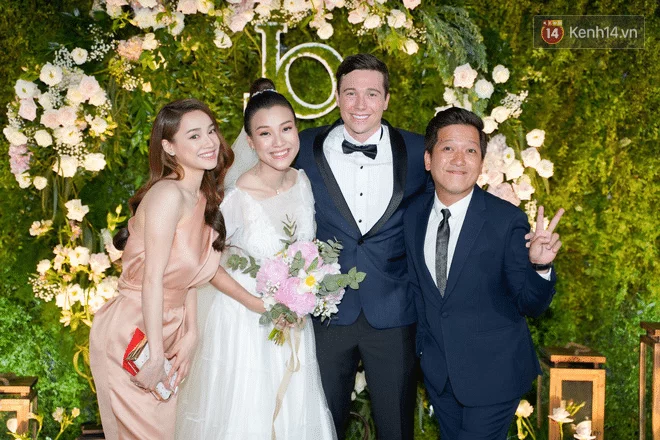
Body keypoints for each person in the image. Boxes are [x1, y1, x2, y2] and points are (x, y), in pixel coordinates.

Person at [89, 99, 264, 440]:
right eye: (194, 136)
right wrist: (156, 354)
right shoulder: (167, 195)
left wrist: (191, 333)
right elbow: (152, 279)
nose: (209, 142)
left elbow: (193, 275)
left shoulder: (202, 197)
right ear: (169, 147)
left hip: (169, 327)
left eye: (211, 131)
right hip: (135, 328)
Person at [175, 80, 336, 439]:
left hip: (293, 322)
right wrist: (257, 304)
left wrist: (307, 291)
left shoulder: (303, 181)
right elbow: (205, 265)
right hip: (245, 324)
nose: (279, 142)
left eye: (286, 129)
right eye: (265, 133)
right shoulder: (235, 198)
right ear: (250, 141)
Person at [404, 107, 564, 439]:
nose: (459, 159)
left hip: (494, 375)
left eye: (471, 150)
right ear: (428, 159)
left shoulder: (506, 220)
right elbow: (419, 291)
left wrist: (540, 266)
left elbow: (530, 304)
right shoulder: (413, 215)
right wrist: (421, 352)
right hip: (440, 376)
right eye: (448, 148)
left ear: (481, 163)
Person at [296, 53, 429, 440]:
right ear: (337, 96)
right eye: (350, 92)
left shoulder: (419, 151)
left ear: (386, 99)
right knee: (322, 427)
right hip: (326, 313)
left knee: (396, 428)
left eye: (371, 94)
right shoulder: (303, 146)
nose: (360, 104)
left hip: (394, 312)